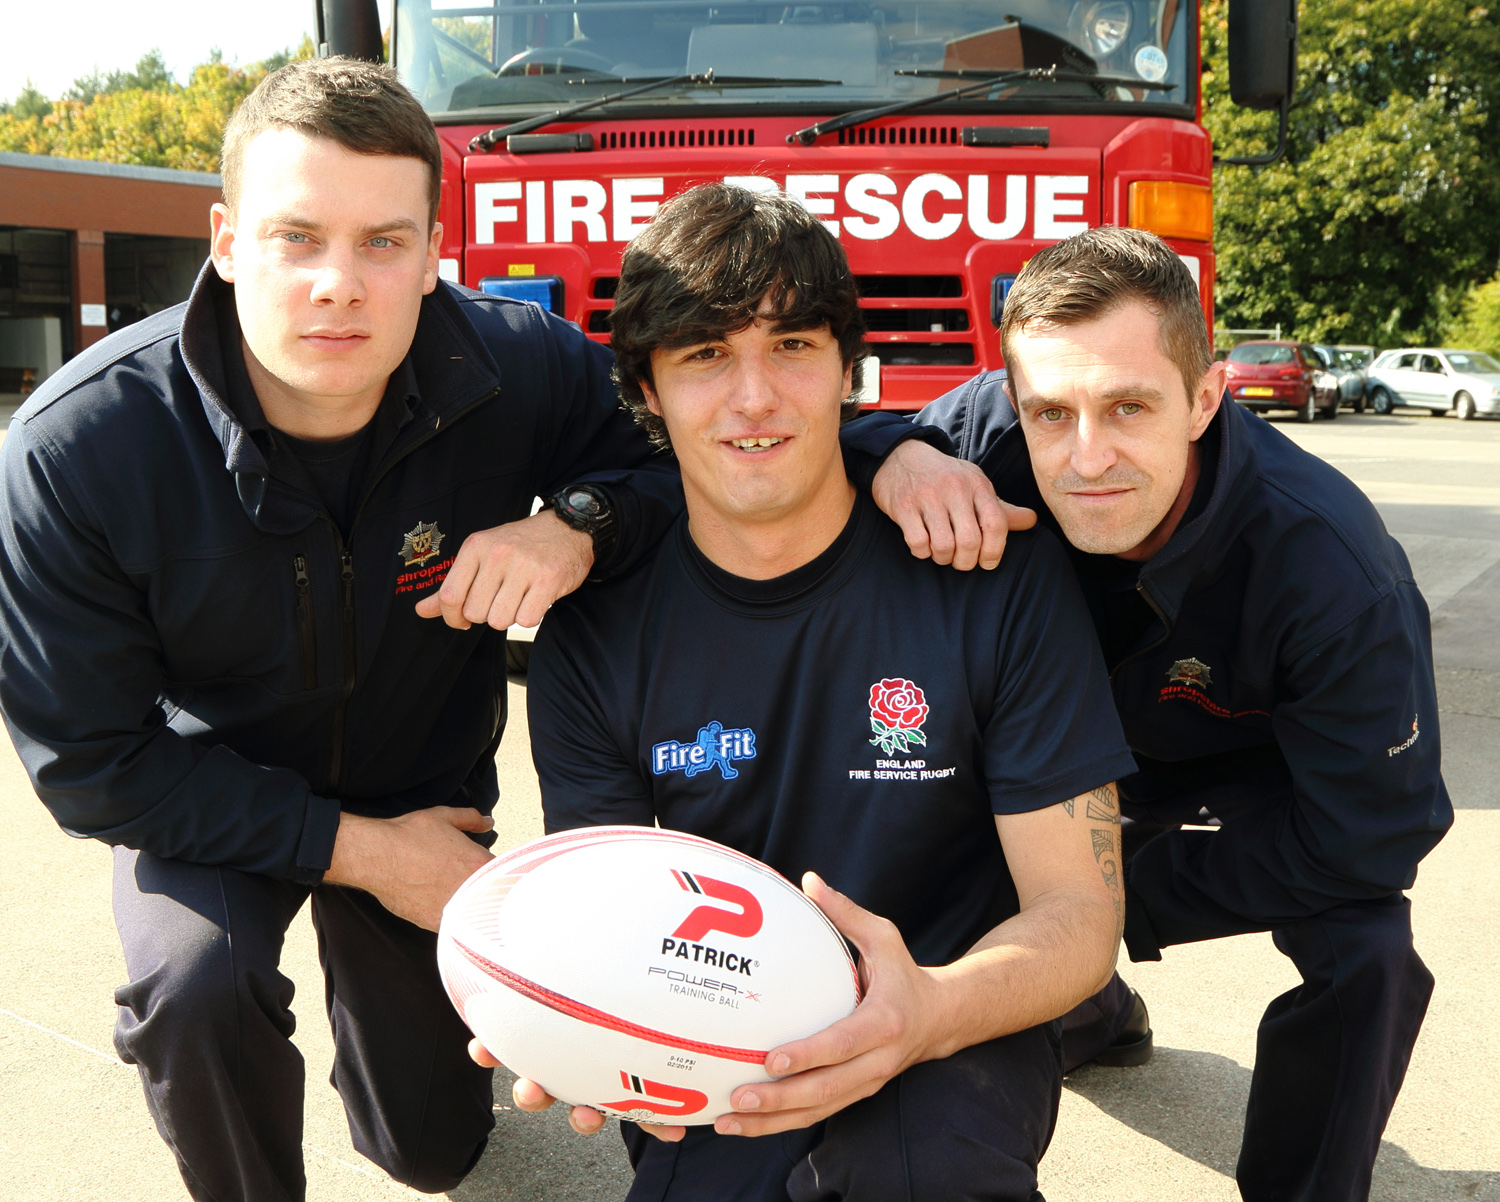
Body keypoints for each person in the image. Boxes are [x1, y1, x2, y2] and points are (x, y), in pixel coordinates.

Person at [0, 57, 688, 1201]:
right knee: (195, 992)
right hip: (208, 792)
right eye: (297, 236)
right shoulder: (78, 449)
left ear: (431, 251)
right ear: (224, 239)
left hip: (424, 774)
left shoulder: (513, 365)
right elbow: (91, 765)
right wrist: (375, 854)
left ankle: (414, 1097)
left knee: (430, 1152)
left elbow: (680, 458)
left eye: (383, 242)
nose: (340, 283)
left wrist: (575, 526)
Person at [490, 182, 1140, 1202]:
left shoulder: (990, 571)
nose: (755, 395)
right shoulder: (595, 633)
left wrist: (925, 1007)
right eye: (706, 353)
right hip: (724, 1022)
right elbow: (613, 917)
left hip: (956, 1003)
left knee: (919, 1173)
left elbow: (1078, 912)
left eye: (792, 344)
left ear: (849, 369)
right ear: (647, 391)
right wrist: (577, 1023)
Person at [852, 227, 1452, 1202]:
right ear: (1012, 402)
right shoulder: (980, 435)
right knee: (910, 838)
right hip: (1055, 751)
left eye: (1129, 406)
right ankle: (1084, 1009)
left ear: (1206, 397)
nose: (1087, 456)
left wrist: (1111, 898)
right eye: (1053, 411)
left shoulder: (1335, 571)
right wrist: (892, 453)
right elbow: (821, 454)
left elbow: (1376, 835)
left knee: (1370, 949)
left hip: (1244, 767)